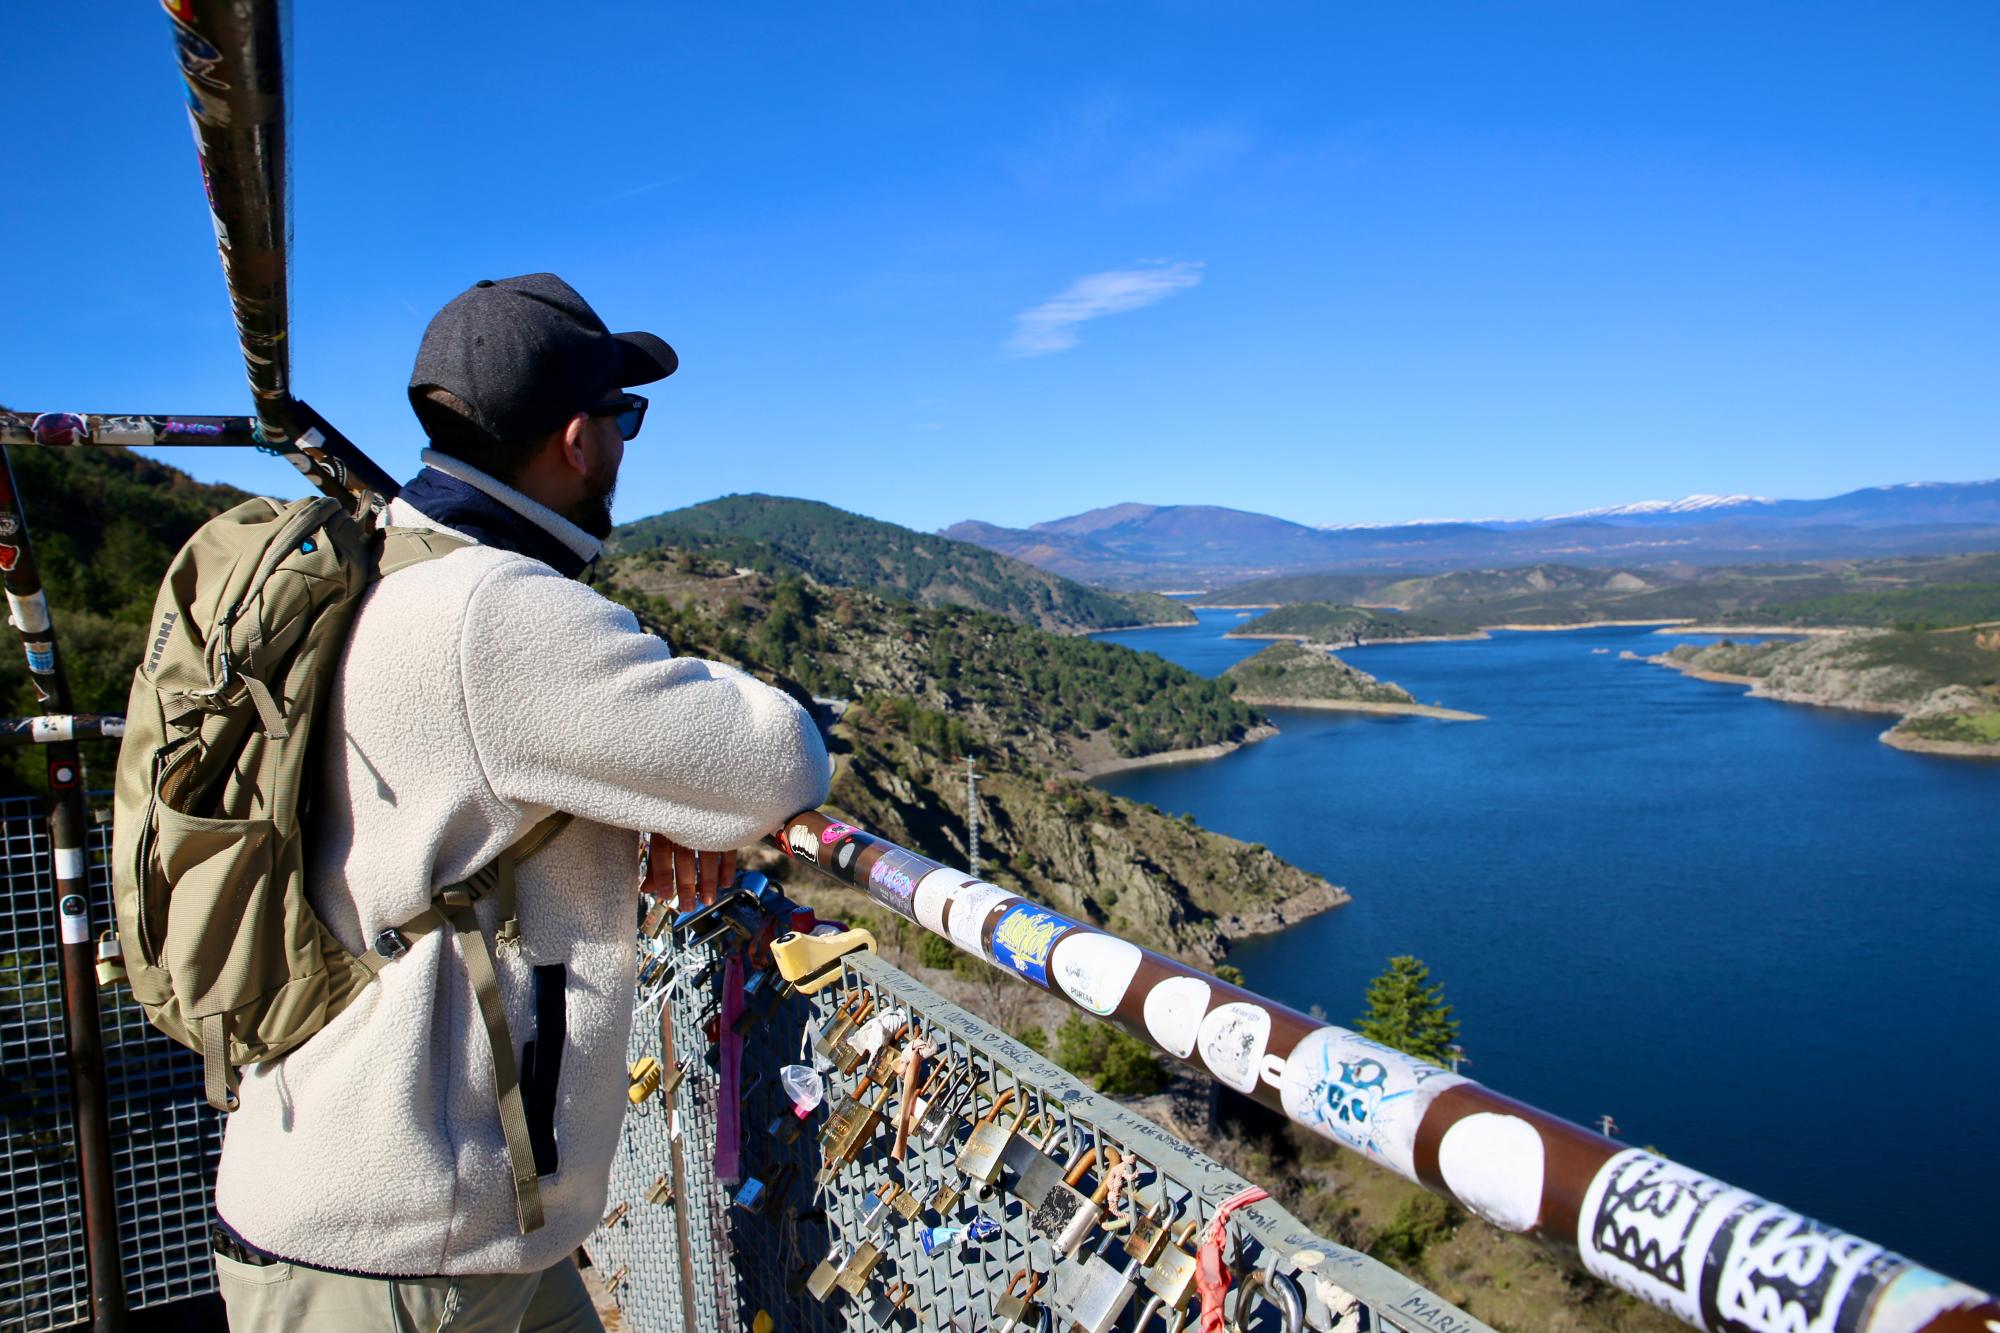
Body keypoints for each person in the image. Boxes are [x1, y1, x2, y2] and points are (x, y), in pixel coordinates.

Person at [208, 273, 831, 1330]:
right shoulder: (492, 608)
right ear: (579, 438)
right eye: (625, 417)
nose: (626, 444)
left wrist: (638, 803)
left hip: (437, 1211)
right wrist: (685, 792)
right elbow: (776, 758)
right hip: (398, 1245)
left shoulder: (385, 566)